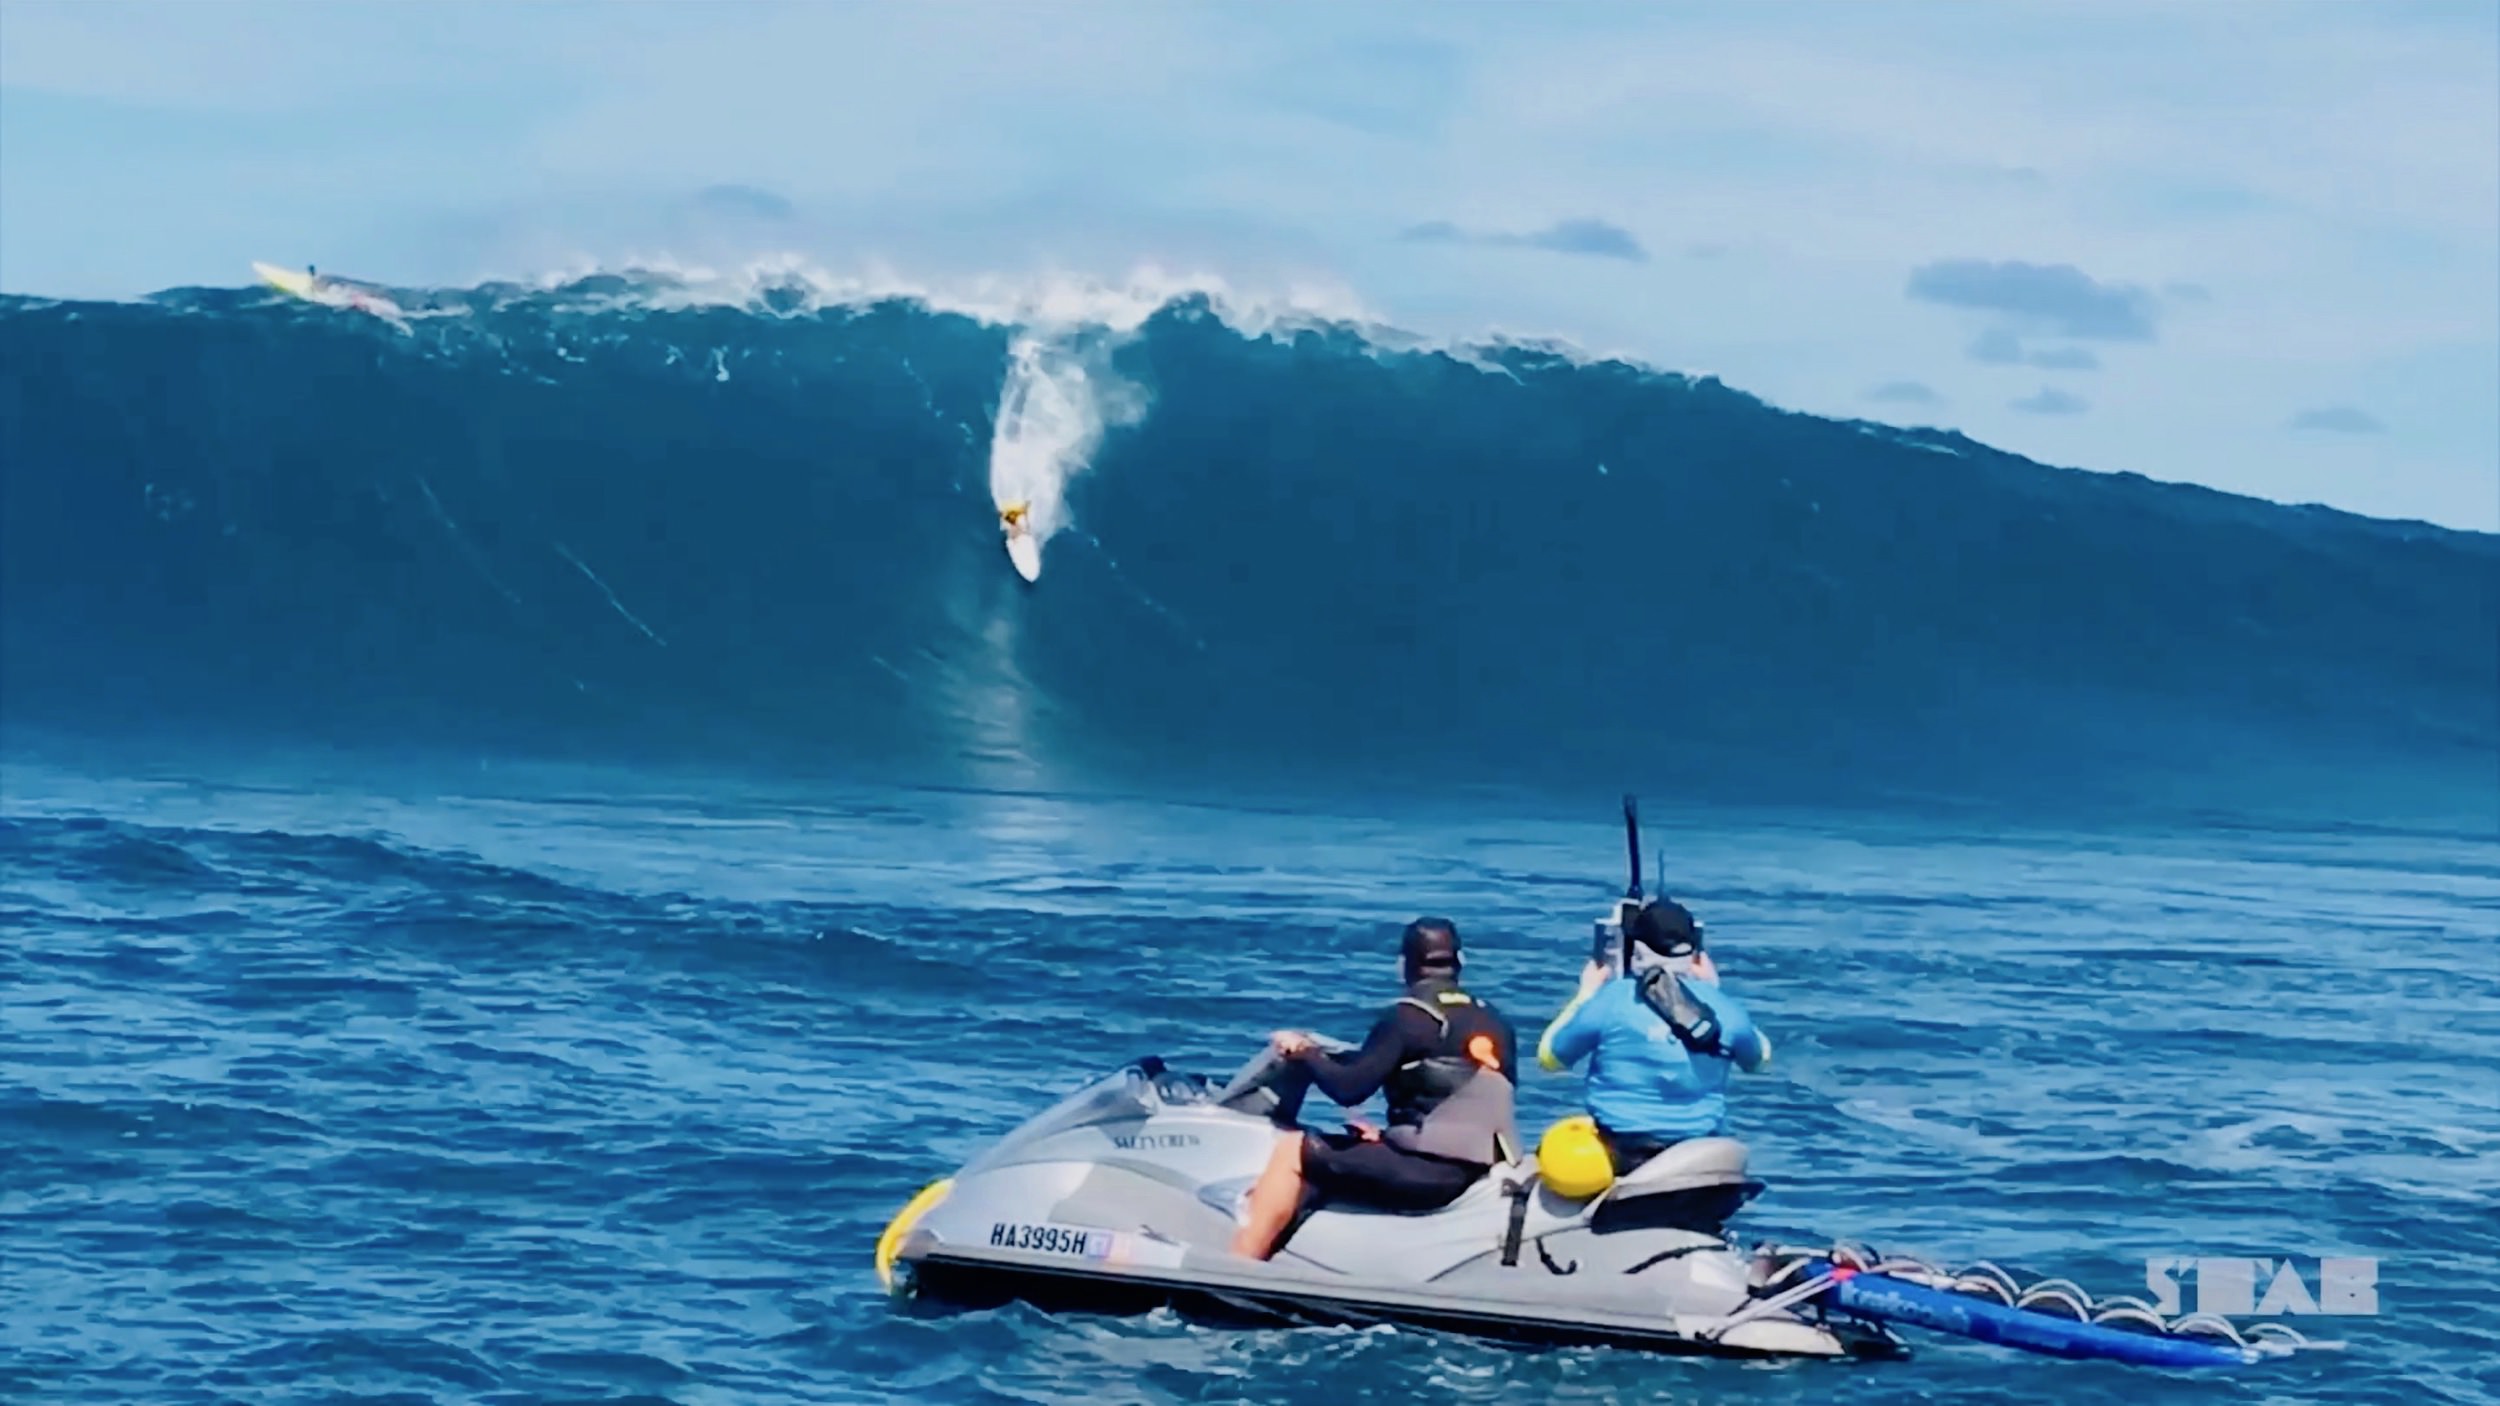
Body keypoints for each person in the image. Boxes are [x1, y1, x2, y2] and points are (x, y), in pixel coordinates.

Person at [1229, 917, 1520, 1260]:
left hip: (1430, 1177)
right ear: (1460, 961)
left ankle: (1237, 1266)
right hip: (1478, 1169)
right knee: (1356, 1143)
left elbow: (1348, 1089)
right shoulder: (1494, 1020)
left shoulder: (1408, 1016)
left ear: (1403, 965)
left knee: (1293, 1150)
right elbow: (1463, 1105)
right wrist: (1392, 1137)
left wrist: (1305, 1052)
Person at [1536, 897, 1770, 1174]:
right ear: (1695, 951)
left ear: (1637, 949)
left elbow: (1550, 1058)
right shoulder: (1725, 1010)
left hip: (1623, 1149)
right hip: (1697, 1152)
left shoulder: (1612, 1000)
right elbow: (1759, 1060)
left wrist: (1584, 995)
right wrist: (1713, 992)